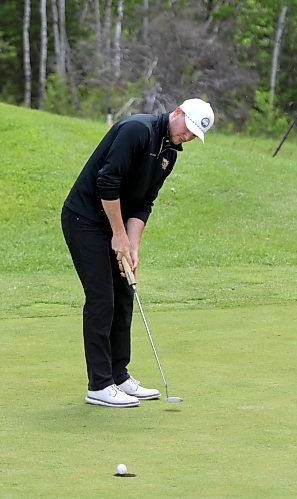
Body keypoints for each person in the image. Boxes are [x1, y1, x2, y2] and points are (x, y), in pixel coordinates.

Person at [61, 98, 214, 408]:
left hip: (115, 224)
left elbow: (145, 203)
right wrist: (118, 235)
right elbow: (108, 182)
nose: (187, 137)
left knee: (124, 294)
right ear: (177, 113)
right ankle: (100, 385)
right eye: (188, 128)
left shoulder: (169, 154)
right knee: (102, 298)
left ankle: (119, 376)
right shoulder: (137, 130)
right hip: (85, 219)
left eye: (194, 135)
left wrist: (132, 245)